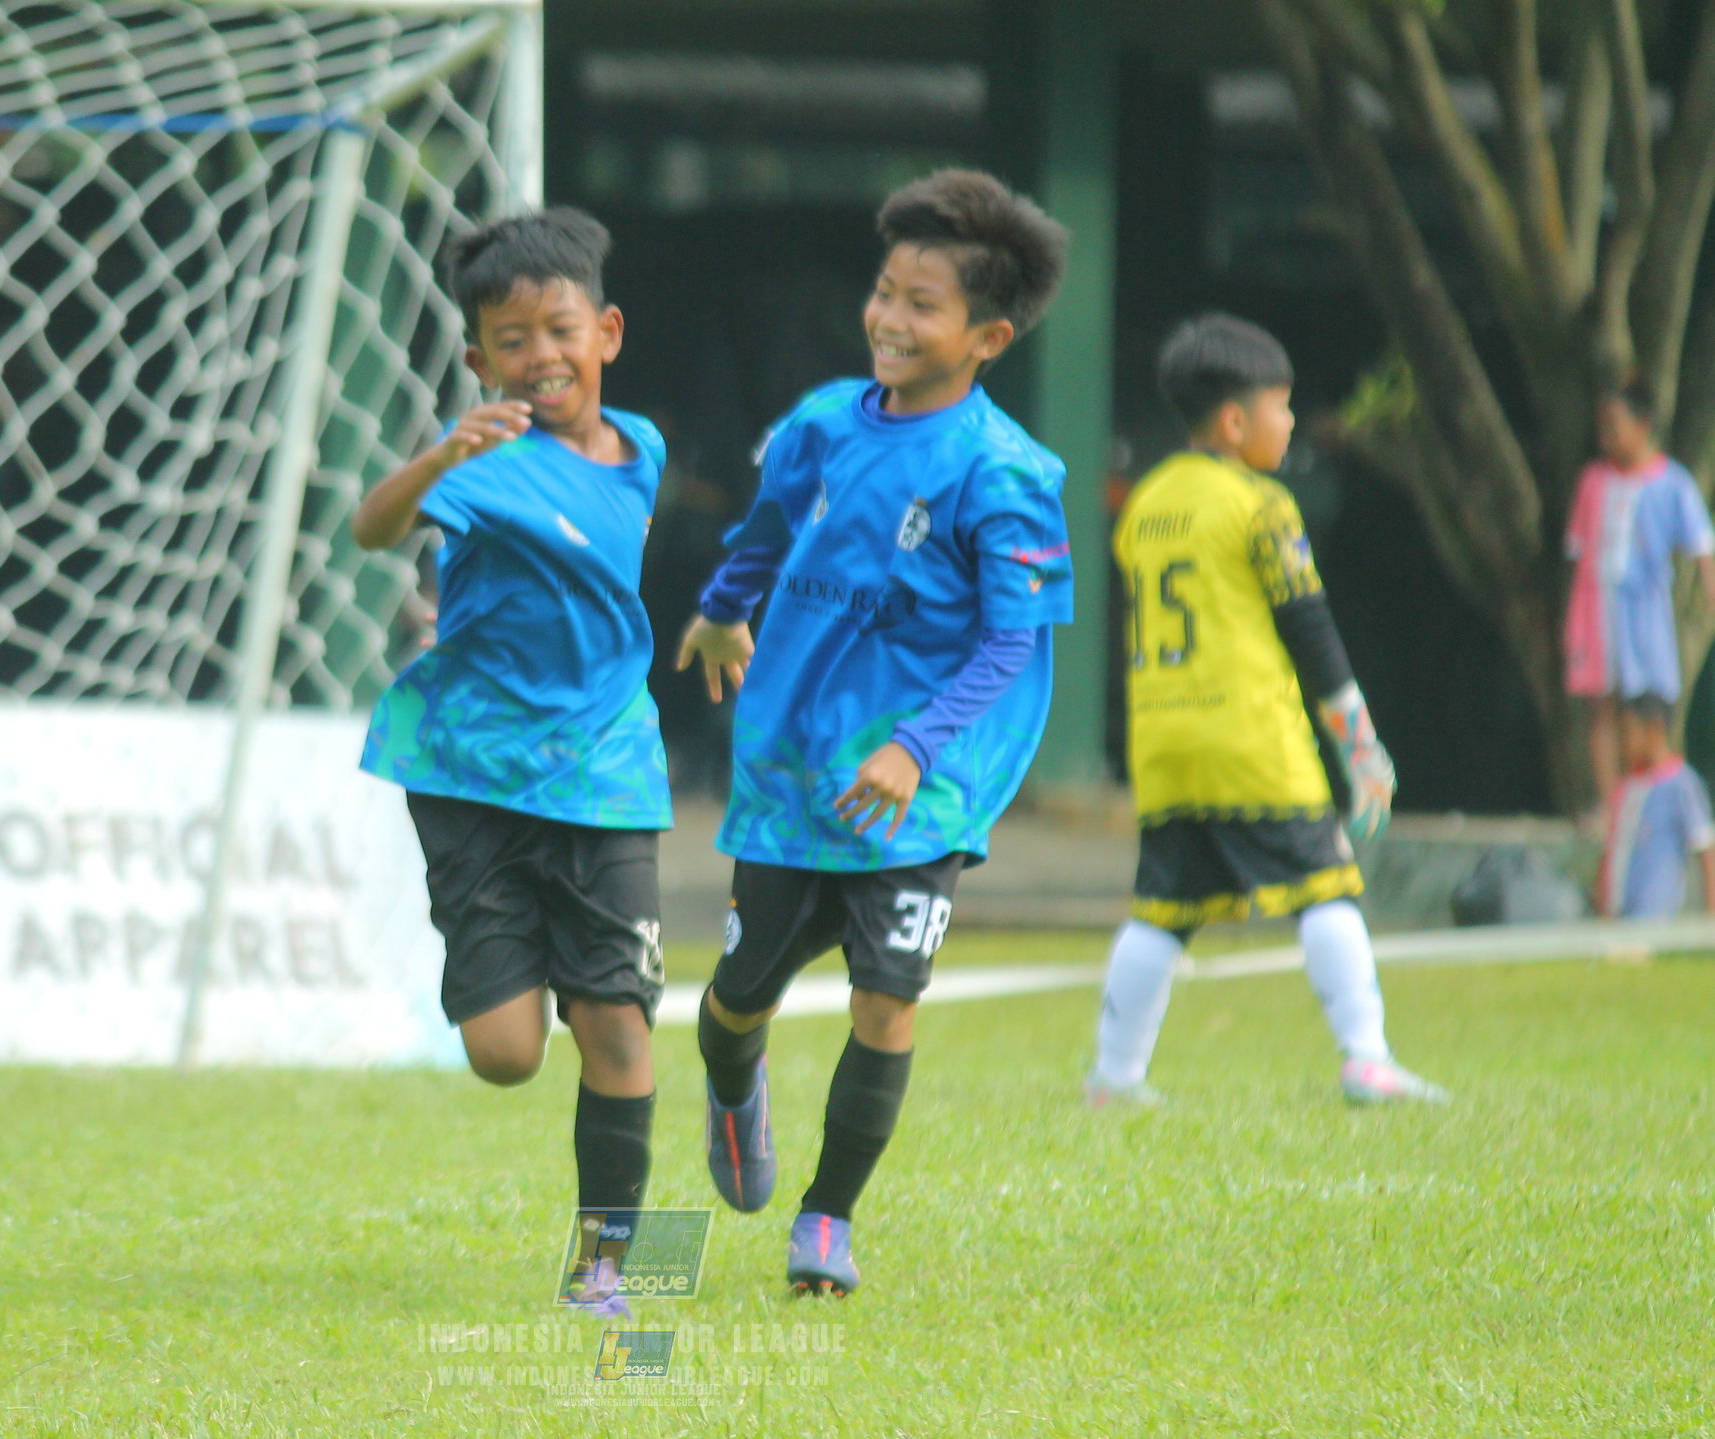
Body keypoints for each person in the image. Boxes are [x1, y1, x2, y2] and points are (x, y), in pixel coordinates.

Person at [677, 169, 1073, 1297]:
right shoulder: (817, 424)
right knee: (737, 995)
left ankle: (826, 1220)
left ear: (987, 337)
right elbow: (762, 532)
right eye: (885, 292)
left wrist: (916, 746)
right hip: (794, 768)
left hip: (918, 789)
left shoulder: (1007, 474)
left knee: (888, 999)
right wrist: (721, 611)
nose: (889, 319)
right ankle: (733, 1077)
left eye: (921, 304)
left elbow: (1009, 642)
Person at [352, 209, 670, 1318]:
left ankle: (606, 1269)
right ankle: (526, 953)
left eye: (560, 329)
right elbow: (370, 528)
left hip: (606, 770)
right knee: (504, 1054)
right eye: (513, 339)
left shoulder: (643, 450)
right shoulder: (480, 460)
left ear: (606, 333)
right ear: (481, 360)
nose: (542, 355)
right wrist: (440, 456)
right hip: (471, 773)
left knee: (616, 1022)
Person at [1085, 314, 1445, 1108]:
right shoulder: (1262, 504)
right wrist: (1359, 742)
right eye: (1280, 406)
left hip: (1165, 740)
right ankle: (1368, 1059)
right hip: (1249, 736)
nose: (1290, 423)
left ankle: (1113, 1076)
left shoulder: (1145, 502)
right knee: (1326, 885)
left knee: (1162, 909)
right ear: (1234, 421)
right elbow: (1308, 625)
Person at [1564, 378, 1715, 812]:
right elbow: (1578, 550)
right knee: (1601, 709)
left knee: (1647, 711)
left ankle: (1652, 805)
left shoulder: (1672, 482)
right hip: (1597, 610)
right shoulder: (1594, 481)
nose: (1606, 436)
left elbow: (1700, 543)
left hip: (1645, 616)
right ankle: (1612, 809)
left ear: (1643, 423)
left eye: (1615, 424)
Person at [1597, 694, 1715, 919]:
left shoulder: (1682, 785)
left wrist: (1711, 916)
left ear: (1654, 730)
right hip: (1619, 918)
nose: (1623, 742)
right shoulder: (1628, 786)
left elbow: (1706, 849)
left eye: (1628, 732)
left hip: (1655, 920)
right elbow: (1612, 848)